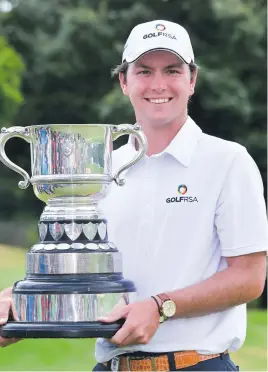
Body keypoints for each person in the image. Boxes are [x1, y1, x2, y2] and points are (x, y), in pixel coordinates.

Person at [0, 19, 267, 371]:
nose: (158, 85)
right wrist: (26, 302)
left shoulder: (228, 161)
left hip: (196, 365)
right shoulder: (101, 170)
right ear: (124, 81)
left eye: (172, 70)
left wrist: (160, 306)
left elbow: (250, 277)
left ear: (192, 80)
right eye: (144, 71)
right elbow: (88, 270)